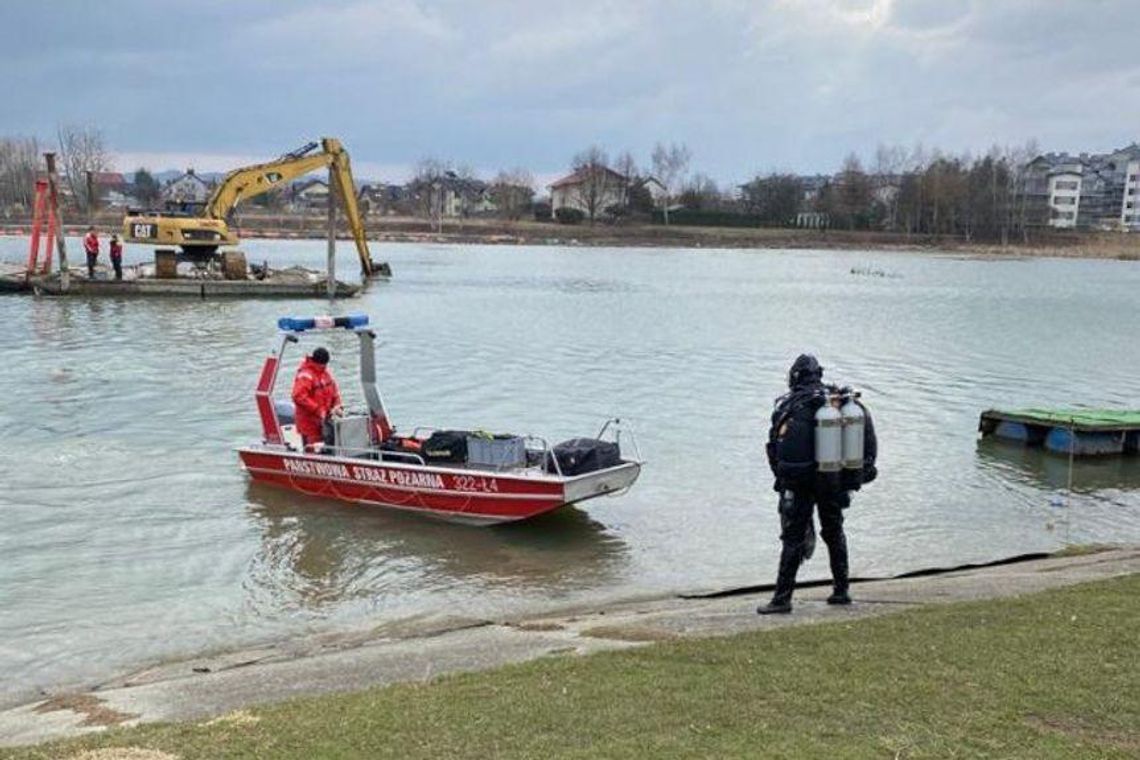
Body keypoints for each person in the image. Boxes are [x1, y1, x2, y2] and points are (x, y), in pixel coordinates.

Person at [758, 354, 852, 614]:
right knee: (834, 532)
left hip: (799, 483)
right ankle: (841, 590)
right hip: (831, 479)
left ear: (794, 376)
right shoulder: (834, 403)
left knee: (793, 539)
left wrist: (782, 483)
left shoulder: (790, 405)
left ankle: (782, 598)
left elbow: (774, 447)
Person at [291, 347, 343, 450]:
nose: (325, 366)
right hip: (309, 423)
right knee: (312, 450)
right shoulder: (306, 375)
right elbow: (298, 396)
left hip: (325, 421)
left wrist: (338, 406)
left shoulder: (325, 374)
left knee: (329, 448)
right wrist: (318, 410)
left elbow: (334, 393)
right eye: (323, 364)